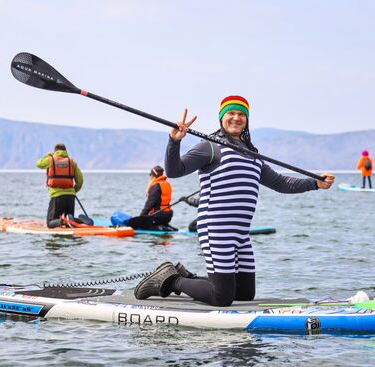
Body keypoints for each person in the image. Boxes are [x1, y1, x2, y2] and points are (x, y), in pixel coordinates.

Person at [134, 95, 335, 306]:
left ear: (247, 120)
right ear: (221, 118)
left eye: (241, 114)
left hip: (241, 233)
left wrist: (314, 183)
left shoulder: (252, 154)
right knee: (222, 298)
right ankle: (172, 280)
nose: (236, 118)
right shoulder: (211, 146)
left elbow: (280, 183)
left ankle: (185, 276)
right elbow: (175, 171)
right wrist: (174, 142)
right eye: (230, 113)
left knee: (245, 293)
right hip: (216, 229)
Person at [36, 143, 83, 228]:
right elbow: (80, 181)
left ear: (55, 151)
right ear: (65, 151)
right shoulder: (72, 162)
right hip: (70, 197)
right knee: (70, 223)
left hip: (57, 197)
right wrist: (72, 191)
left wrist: (48, 155)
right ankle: (75, 220)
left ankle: (63, 221)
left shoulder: (50, 160)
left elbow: (39, 164)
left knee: (50, 223)